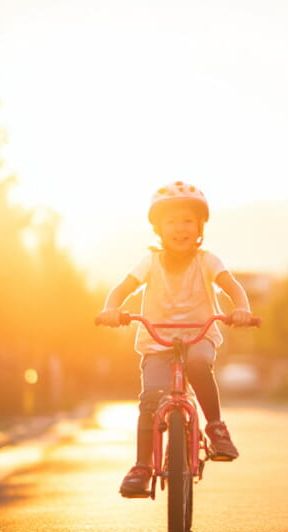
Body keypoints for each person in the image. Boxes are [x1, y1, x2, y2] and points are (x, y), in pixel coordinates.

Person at [96, 181, 255, 498]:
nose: (180, 228)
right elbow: (122, 288)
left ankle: (215, 427)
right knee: (151, 397)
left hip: (198, 335)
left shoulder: (207, 260)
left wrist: (242, 309)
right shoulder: (149, 262)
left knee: (198, 363)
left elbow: (232, 286)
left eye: (187, 221)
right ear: (157, 228)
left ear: (200, 227)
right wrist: (111, 308)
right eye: (171, 221)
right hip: (158, 341)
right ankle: (142, 465)